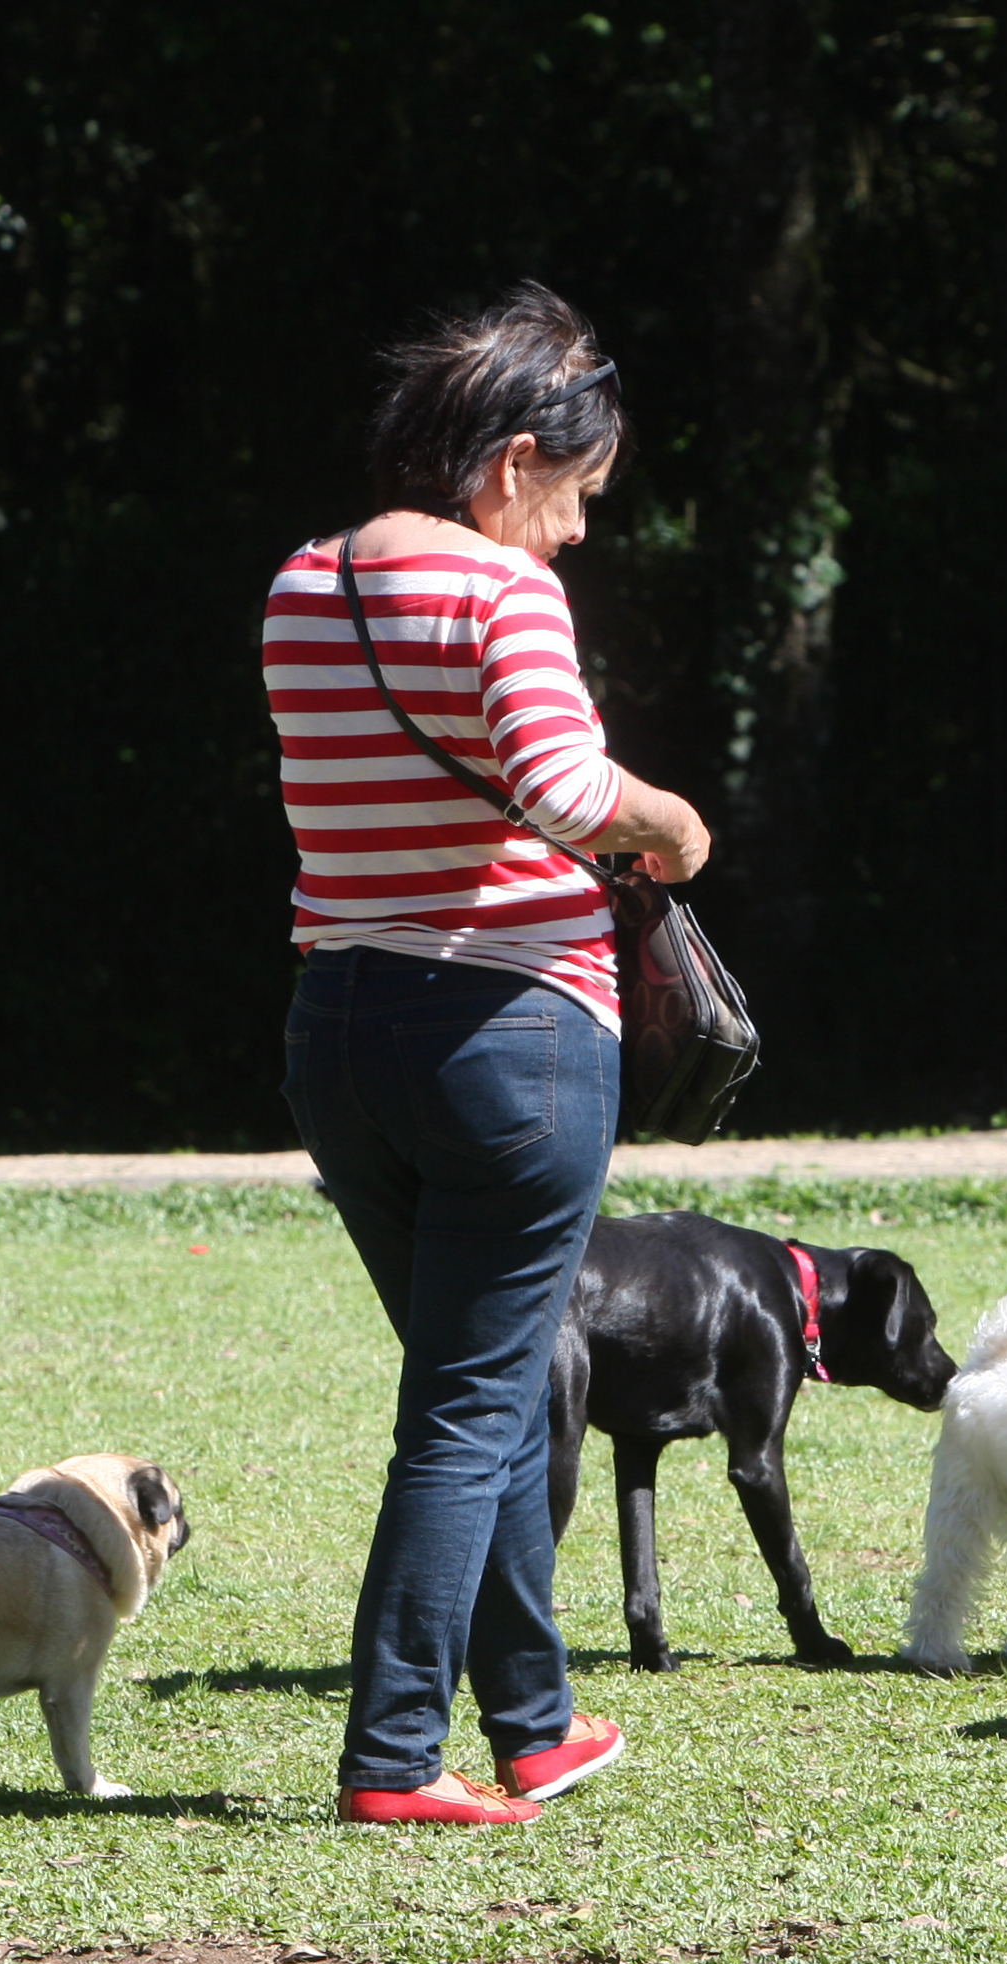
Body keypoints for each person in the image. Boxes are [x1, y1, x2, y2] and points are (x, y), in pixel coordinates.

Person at [262, 284, 712, 1824]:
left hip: (337, 1034)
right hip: (507, 1039)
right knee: (467, 1401)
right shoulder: (503, 594)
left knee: (493, 1378)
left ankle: (534, 1718)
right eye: (579, 496)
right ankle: (393, 1753)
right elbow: (558, 779)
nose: (580, 533)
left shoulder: (301, 582)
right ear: (515, 460)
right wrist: (672, 823)